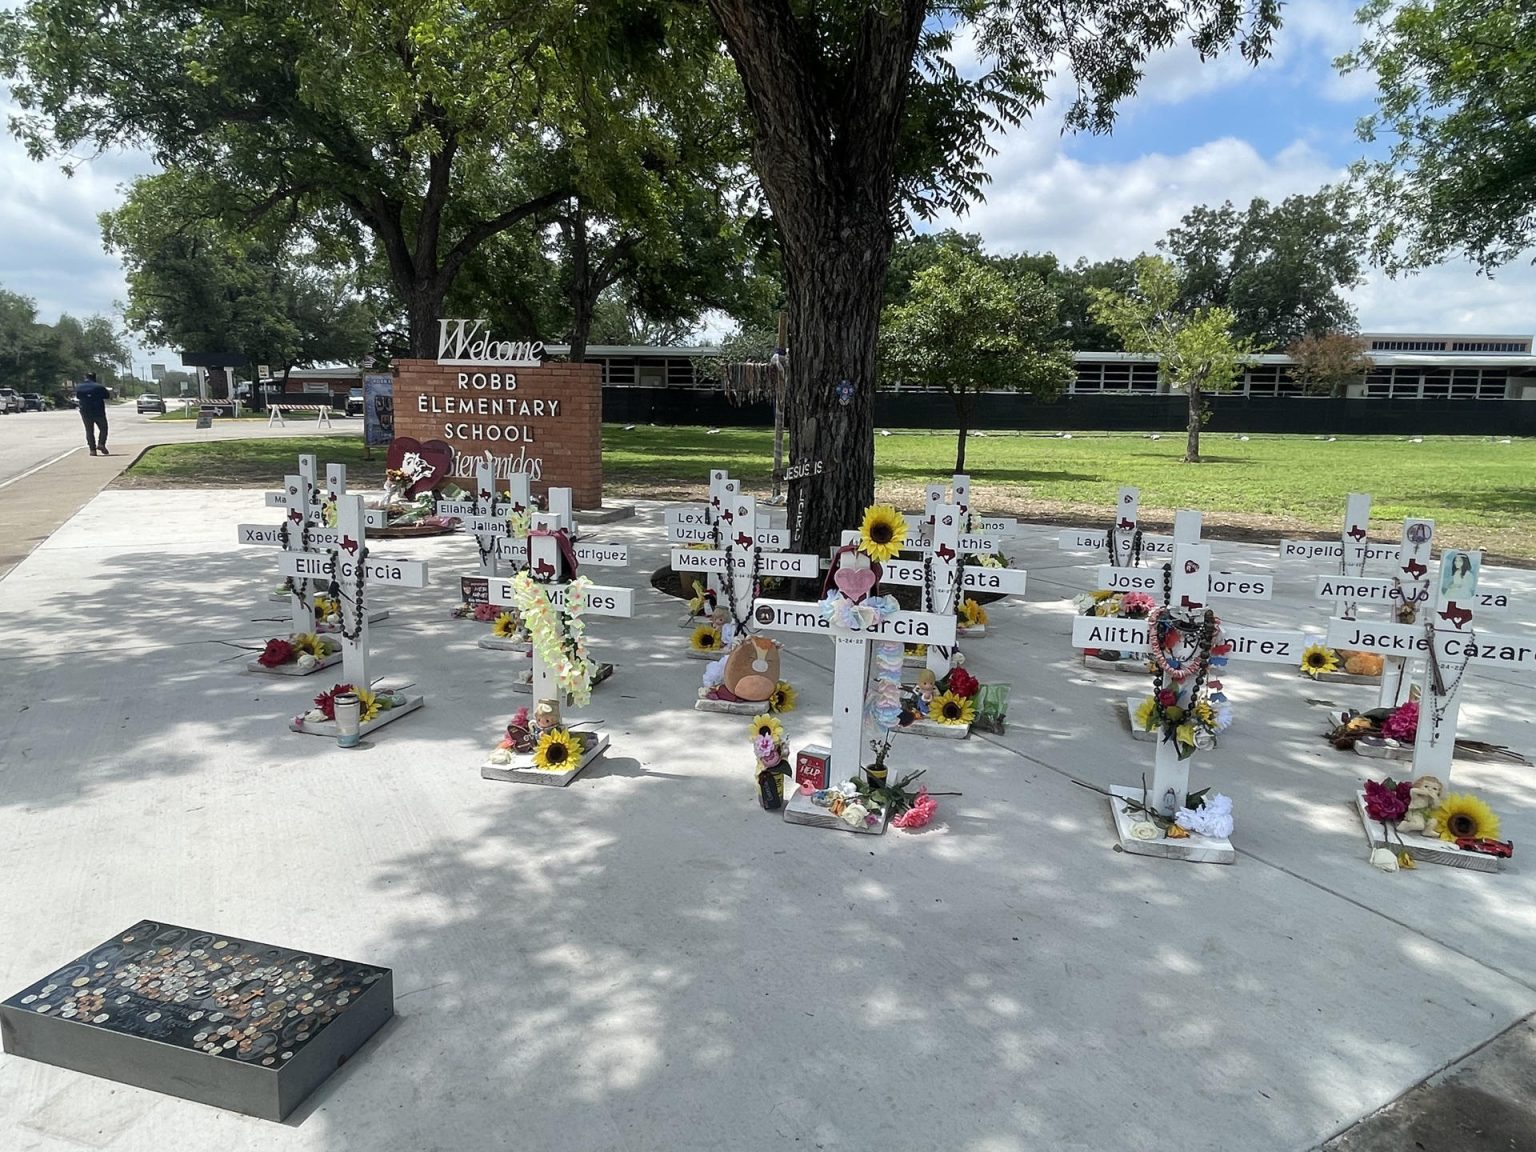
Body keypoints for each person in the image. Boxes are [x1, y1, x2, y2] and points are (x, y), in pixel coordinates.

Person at [75, 373, 110, 456]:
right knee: (103, 428)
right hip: (99, 411)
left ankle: (92, 450)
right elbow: (107, 396)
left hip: (85, 411)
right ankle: (101, 444)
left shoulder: (79, 387)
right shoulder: (99, 387)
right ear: (95, 378)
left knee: (89, 430)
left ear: (86, 377)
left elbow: (78, 397)